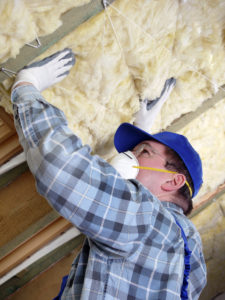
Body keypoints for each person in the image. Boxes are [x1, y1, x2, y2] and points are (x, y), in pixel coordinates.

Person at [11, 48, 206, 300]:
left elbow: (60, 166)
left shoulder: (147, 219)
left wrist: (27, 88)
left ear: (173, 180)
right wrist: (142, 137)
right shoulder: (193, 264)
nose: (128, 159)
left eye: (142, 152)